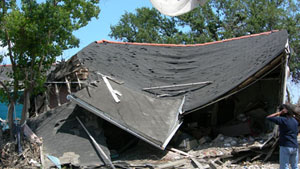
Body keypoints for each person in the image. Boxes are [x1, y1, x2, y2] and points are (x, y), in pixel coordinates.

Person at [267, 104, 299, 169]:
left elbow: (268, 117)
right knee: (295, 166)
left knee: (284, 167)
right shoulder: (295, 121)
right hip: (295, 146)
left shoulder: (283, 120)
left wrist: (279, 113)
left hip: (285, 146)